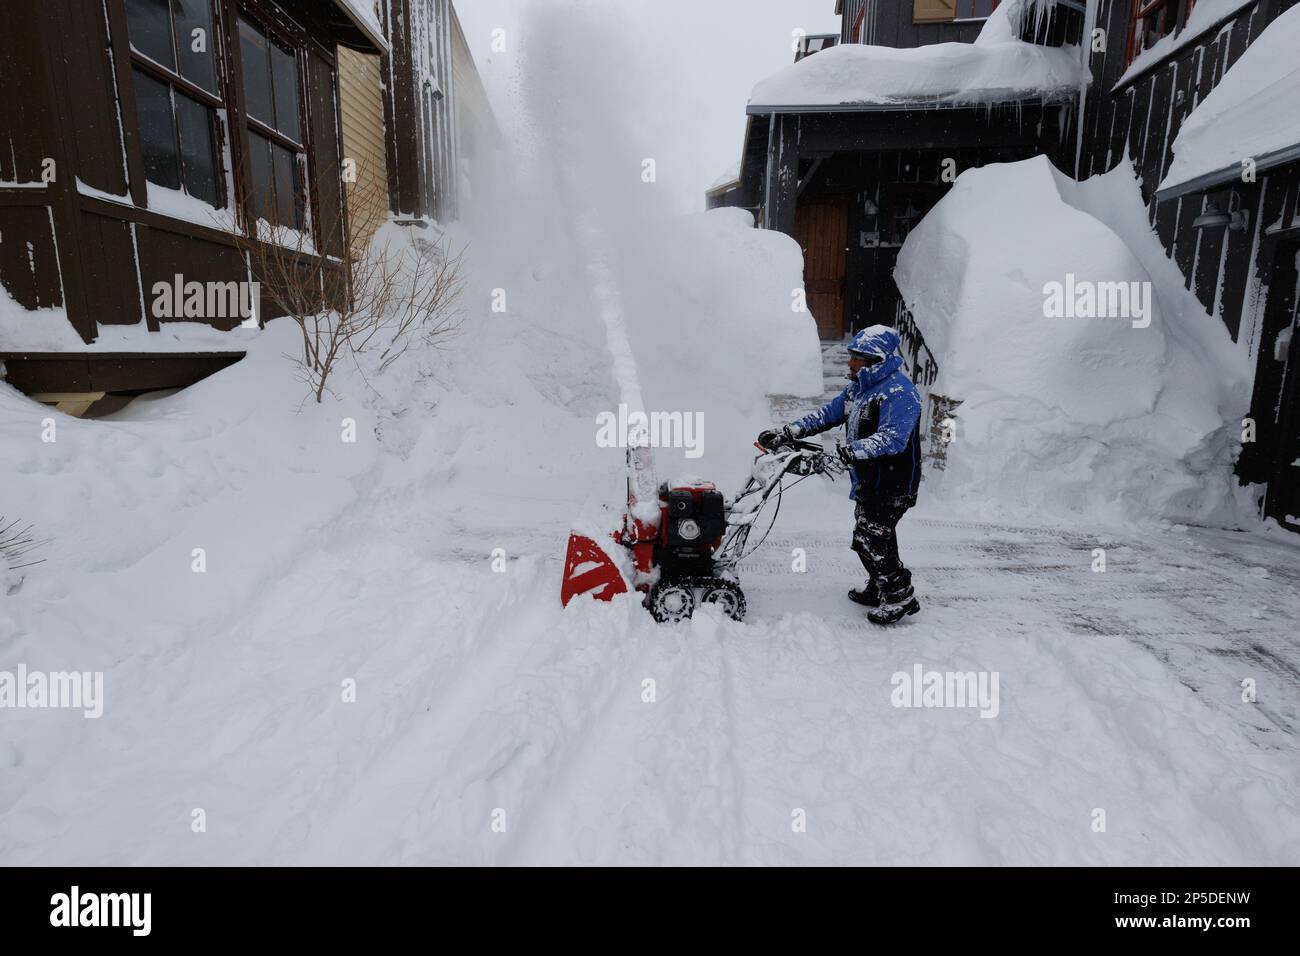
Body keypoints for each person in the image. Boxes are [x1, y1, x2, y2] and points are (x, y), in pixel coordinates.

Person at [758, 325, 922, 625]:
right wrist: (788, 432)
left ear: (875, 360)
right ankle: (880, 586)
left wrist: (849, 452)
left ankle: (900, 596)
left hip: (894, 481)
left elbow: (892, 438)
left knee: (872, 536)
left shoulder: (900, 392)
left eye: (856, 358)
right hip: (869, 481)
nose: (850, 363)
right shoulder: (859, 388)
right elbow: (827, 415)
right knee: (871, 536)